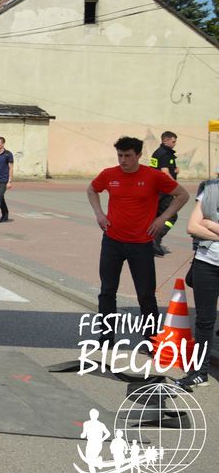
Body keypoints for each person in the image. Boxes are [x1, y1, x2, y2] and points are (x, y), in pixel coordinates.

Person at [86, 136, 189, 341]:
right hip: (112, 242)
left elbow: (183, 195)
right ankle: (106, 336)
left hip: (141, 244)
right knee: (107, 291)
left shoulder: (153, 176)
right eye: (120, 155)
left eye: (128, 156)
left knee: (146, 294)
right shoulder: (109, 174)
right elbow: (91, 189)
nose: (123, 160)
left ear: (139, 155)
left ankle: (151, 338)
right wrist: (99, 214)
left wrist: (162, 218)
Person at [177, 178, 219, 390]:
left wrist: (210, 224)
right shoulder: (210, 189)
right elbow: (192, 226)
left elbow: (201, 225)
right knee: (204, 321)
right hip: (206, 264)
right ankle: (200, 373)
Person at [150, 131, 179, 256]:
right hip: (164, 191)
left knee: (156, 216)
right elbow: (165, 173)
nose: (175, 143)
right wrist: (176, 188)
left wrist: (175, 170)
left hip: (155, 190)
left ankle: (150, 241)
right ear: (166, 140)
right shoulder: (165, 154)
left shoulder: (157, 153)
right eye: (173, 141)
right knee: (171, 216)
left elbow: (156, 169)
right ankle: (156, 239)